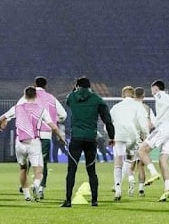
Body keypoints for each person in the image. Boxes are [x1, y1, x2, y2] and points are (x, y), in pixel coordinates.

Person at [0, 85, 66, 201]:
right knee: (39, 170)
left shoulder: (17, 108)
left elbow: (1, 118)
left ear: (24, 95)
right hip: (34, 143)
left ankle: (27, 196)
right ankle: (36, 185)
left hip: (20, 143)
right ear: (36, 96)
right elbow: (53, 126)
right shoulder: (41, 110)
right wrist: (60, 137)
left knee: (23, 168)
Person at [61, 76, 114, 207]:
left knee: (71, 170)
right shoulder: (97, 99)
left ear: (77, 86)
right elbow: (107, 120)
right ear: (90, 87)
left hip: (76, 138)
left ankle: (68, 200)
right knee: (91, 170)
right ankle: (94, 200)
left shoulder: (72, 97)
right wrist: (112, 136)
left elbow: (69, 99)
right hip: (91, 138)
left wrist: (75, 89)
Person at [139, 79, 169, 202]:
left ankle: (153, 173)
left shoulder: (160, 96)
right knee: (163, 160)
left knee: (141, 151)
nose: (152, 92)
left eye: (152, 90)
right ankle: (167, 189)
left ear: (155, 89)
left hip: (163, 129)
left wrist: (156, 123)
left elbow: (165, 107)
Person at [109, 86, 149, 201]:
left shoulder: (116, 107)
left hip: (119, 135)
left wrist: (111, 135)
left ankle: (117, 188)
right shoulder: (138, 106)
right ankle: (127, 180)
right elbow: (143, 122)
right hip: (132, 136)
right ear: (133, 95)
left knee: (118, 161)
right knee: (129, 159)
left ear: (123, 95)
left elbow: (109, 123)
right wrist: (145, 135)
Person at [32, 76, 67, 195]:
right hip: (45, 134)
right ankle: (41, 187)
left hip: (30, 134)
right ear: (46, 86)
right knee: (43, 162)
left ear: (34, 84)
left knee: (27, 161)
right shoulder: (51, 98)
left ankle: (26, 185)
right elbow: (63, 115)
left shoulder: (28, 96)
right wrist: (52, 120)